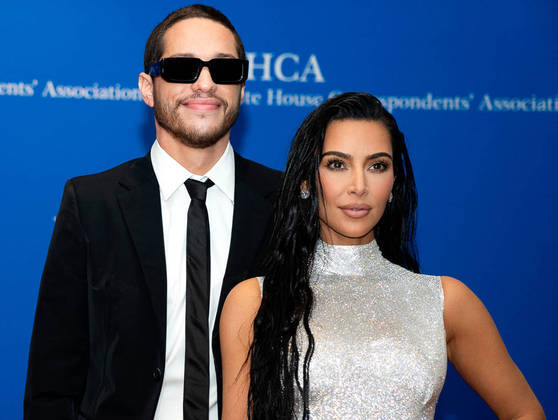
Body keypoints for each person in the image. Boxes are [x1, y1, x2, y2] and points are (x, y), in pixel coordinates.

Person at [24, 5, 281, 420]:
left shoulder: (287, 202)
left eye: (224, 69)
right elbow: (52, 378)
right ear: (147, 88)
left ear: (243, 87)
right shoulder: (92, 203)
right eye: (182, 68)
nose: (205, 83)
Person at [220, 92, 545, 419]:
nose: (358, 185)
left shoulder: (443, 301)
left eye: (377, 166)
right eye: (337, 164)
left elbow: (525, 412)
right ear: (306, 181)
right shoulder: (255, 300)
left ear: (393, 184)